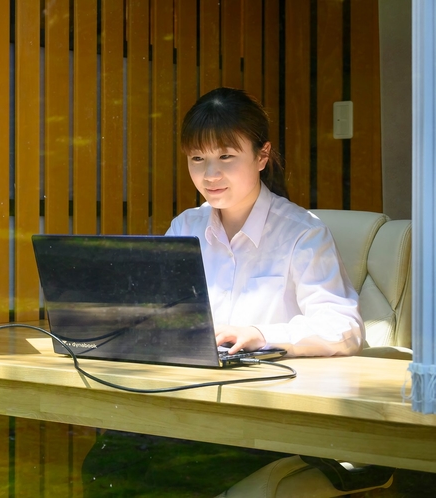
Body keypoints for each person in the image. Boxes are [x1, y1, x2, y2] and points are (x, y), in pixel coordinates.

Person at [81, 87, 364, 496]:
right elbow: (159, 315)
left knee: (166, 476)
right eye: (198, 159)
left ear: (262, 156)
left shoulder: (303, 232)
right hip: (186, 404)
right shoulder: (186, 227)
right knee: (105, 463)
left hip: (265, 413)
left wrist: (263, 336)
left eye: (226, 157)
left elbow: (344, 328)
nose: (210, 174)